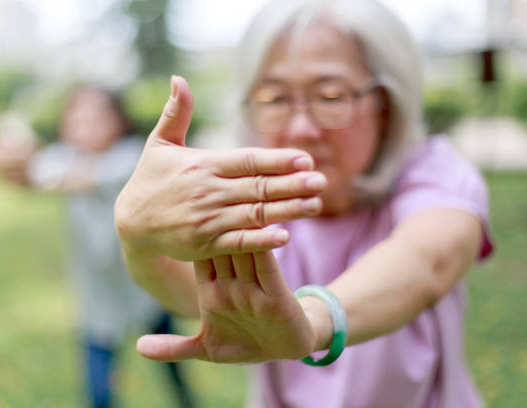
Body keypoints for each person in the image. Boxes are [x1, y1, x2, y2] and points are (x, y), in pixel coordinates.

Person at [113, 0, 494, 407]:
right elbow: (188, 292)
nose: (300, 127)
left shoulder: (434, 173)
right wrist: (140, 242)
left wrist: (313, 320)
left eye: (330, 97)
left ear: (385, 104)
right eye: (274, 99)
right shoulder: (250, 203)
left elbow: (426, 262)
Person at [0, 86, 195, 408]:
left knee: (172, 365)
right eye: (77, 116)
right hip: (98, 296)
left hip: (146, 288)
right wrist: (14, 162)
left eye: (97, 116)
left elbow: (84, 176)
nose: (86, 124)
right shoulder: (63, 157)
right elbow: (32, 173)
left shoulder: (131, 155)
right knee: (99, 391)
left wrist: (41, 170)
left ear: (119, 121)